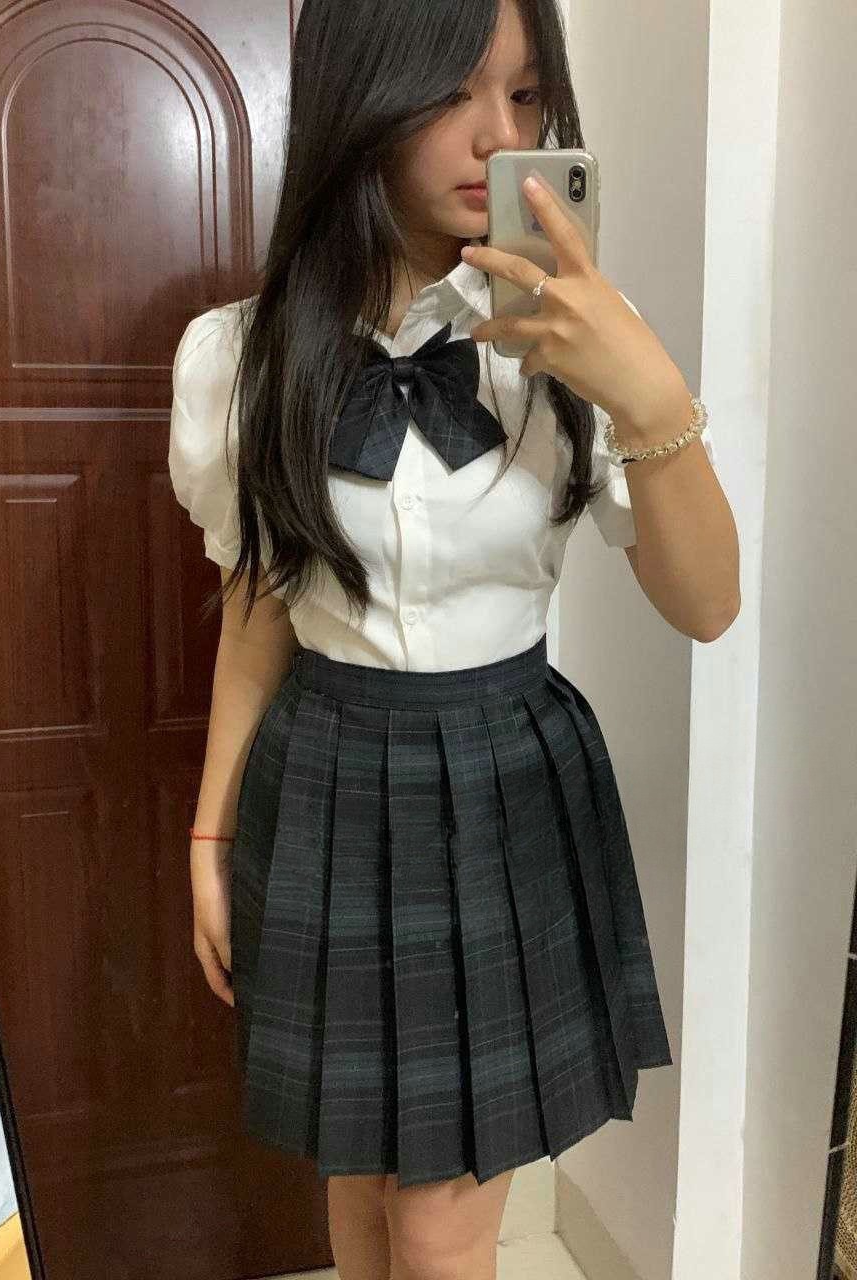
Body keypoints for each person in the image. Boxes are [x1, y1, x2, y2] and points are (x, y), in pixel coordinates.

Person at [168, 0, 739, 1275]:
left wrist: (648, 389)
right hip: (324, 772)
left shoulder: (576, 340)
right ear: (361, 98)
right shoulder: (242, 356)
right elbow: (260, 606)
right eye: (450, 92)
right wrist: (210, 830)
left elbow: (707, 604)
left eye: (526, 97)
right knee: (362, 1171)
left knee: (439, 1222)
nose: (497, 136)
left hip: (500, 779)